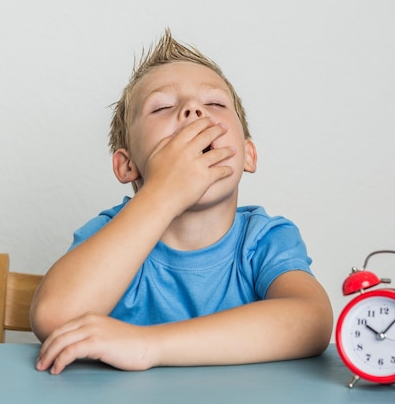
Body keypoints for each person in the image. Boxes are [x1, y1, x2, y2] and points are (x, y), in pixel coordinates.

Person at [30, 29, 333, 374]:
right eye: (162, 107)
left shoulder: (263, 240)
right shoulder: (109, 235)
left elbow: (313, 322)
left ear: (248, 154)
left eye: (215, 104)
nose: (192, 110)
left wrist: (147, 345)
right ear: (127, 165)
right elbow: (55, 318)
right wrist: (164, 191)